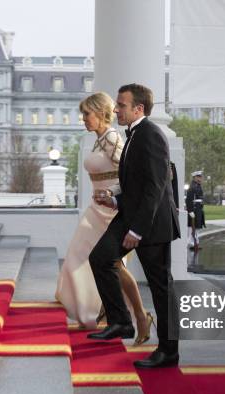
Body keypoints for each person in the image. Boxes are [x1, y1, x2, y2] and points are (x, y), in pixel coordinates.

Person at [90, 83, 181, 369]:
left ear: (138, 108)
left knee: (161, 288)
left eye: (121, 105)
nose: (116, 109)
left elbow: (155, 188)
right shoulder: (133, 135)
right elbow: (136, 183)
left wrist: (137, 230)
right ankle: (120, 322)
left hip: (151, 224)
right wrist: (114, 198)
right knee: (100, 257)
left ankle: (169, 352)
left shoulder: (151, 135)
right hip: (130, 214)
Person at [55, 92, 153, 345]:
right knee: (83, 259)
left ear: (100, 113)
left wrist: (112, 194)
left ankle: (139, 317)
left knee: (113, 265)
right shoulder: (99, 140)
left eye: (87, 114)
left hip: (111, 211)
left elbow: (129, 175)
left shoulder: (111, 138)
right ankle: (101, 311)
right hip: (96, 210)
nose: (83, 119)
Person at [186, 170, 206, 250]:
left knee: (196, 227)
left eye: (200, 177)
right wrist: (190, 211)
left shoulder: (198, 186)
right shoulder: (192, 187)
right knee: (192, 227)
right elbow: (188, 200)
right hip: (194, 210)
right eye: (198, 177)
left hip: (198, 209)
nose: (200, 179)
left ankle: (195, 243)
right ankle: (191, 243)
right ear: (194, 178)